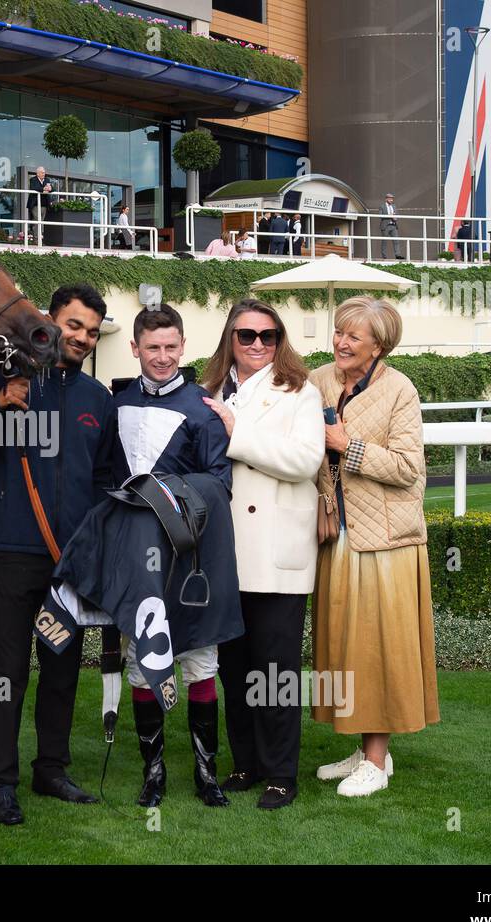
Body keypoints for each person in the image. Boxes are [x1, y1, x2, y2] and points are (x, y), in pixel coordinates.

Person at [0, 284, 117, 826]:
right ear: (50, 320)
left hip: (71, 563)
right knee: (9, 670)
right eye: (74, 326)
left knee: (62, 669)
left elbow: (108, 480)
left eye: (91, 331)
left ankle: (52, 769)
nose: (82, 338)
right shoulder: (6, 381)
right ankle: (2, 782)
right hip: (16, 552)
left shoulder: (97, 399)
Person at [309, 296, 439, 797]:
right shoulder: (320, 380)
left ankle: (379, 759)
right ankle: (363, 752)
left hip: (386, 542)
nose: (341, 342)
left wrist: (348, 446)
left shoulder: (400, 390)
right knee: (346, 646)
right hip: (337, 536)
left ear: (379, 345)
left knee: (377, 648)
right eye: (339, 332)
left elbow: (409, 469)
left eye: (353, 336)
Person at [200, 299, 324, 810]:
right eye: (246, 335)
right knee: (233, 669)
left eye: (267, 336)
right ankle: (247, 763)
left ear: (280, 341)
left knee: (273, 673)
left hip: (275, 556)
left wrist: (237, 434)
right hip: (224, 556)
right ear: (230, 338)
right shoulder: (207, 391)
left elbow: (305, 460)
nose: (257, 345)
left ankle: (280, 775)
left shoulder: (301, 391)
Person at [113, 303, 235, 809]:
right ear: (135, 348)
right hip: (136, 560)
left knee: (200, 663)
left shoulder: (202, 407)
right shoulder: (113, 403)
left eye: (170, 347)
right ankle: (153, 773)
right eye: (152, 348)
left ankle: (206, 775)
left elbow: (220, 483)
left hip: (190, 558)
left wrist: (162, 493)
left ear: (183, 346)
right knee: (143, 665)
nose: (162, 357)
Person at [27, 166, 55, 244]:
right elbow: (34, 188)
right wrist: (44, 189)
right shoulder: (33, 179)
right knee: (37, 221)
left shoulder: (47, 180)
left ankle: (40, 239)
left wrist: (50, 189)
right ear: (38, 173)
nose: (44, 174)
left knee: (41, 222)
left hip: (44, 205)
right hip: (35, 204)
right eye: (42, 173)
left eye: (44, 172)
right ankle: (37, 240)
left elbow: (53, 189)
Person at [380, 192, 403, 260]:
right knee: (384, 241)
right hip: (385, 226)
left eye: (392, 199)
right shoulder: (382, 206)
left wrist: (395, 217)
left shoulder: (394, 206)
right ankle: (384, 256)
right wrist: (390, 216)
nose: (391, 200)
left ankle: (397, 255)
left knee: (396, 241)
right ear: (386, 199)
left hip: (393, 225)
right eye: (390, 199)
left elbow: (396, 214)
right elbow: (380, 216)